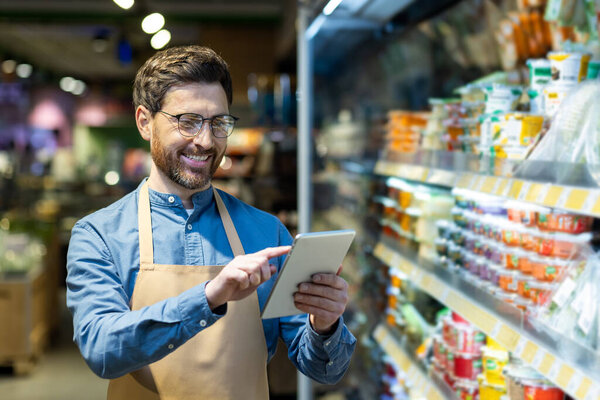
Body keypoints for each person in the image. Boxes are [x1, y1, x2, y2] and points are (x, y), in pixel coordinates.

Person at [66, 45, 356, 399]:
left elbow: (323, 368)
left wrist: (324, 324)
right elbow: (102, 351)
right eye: (187, 122)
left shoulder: (267, 232)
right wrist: (209, 297)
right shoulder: (99, 234)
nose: (205, 141)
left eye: (219, 123)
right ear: (145, 122)